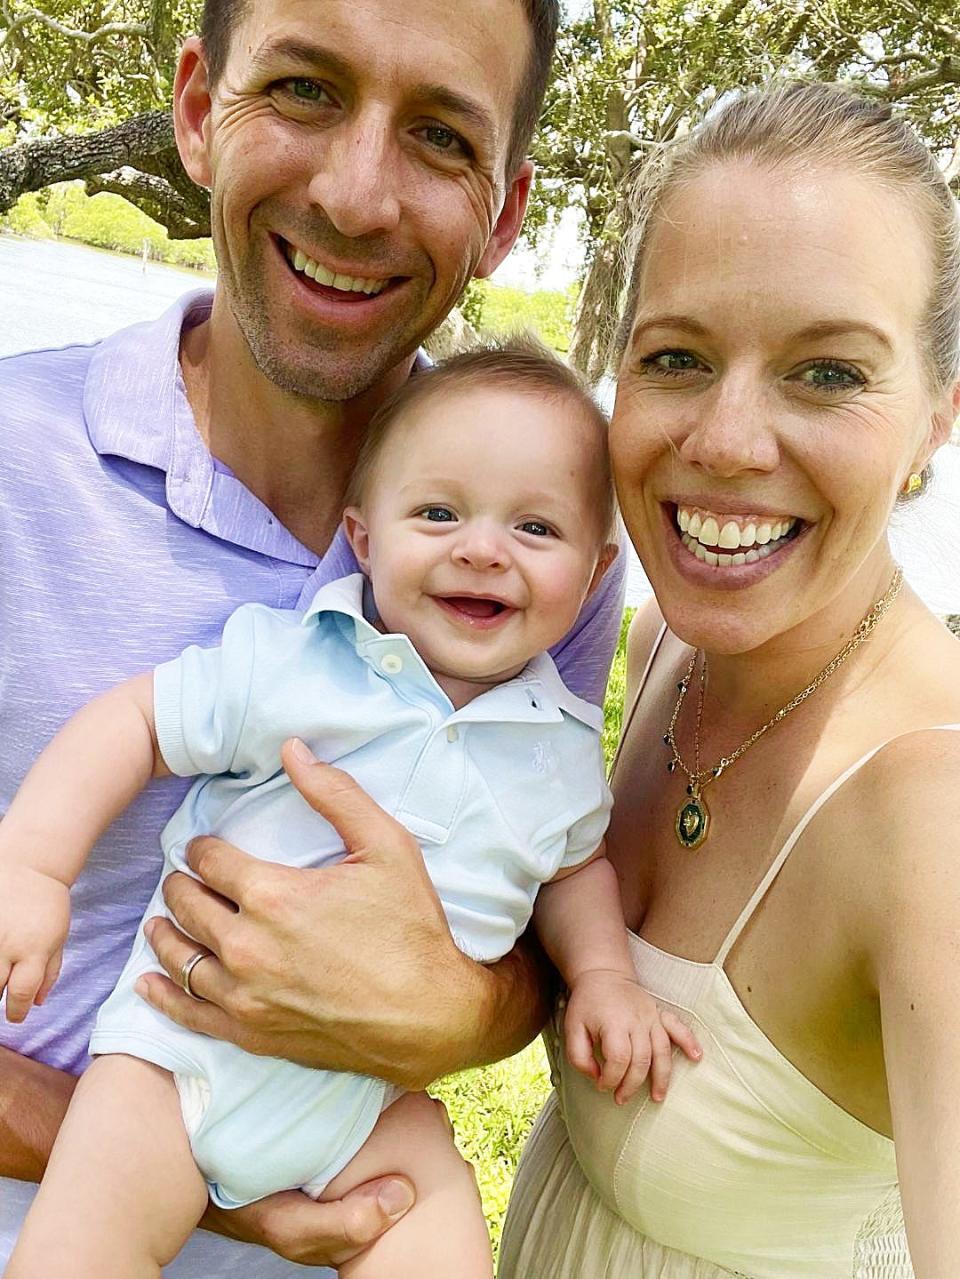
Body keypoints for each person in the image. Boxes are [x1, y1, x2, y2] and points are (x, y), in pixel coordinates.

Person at [0, 1, 626, 1274]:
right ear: (195, 112)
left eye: (441, 135)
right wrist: (170, 1160)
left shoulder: (540, 563)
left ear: (505, 215)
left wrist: (461, 1011)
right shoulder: (16, 461)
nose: (355, 194)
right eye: (302, 90)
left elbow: (531, 877)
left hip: (350, 1151)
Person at [0, 347, 693, 1279]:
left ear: (596, 571)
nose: (481, 548)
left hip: (363, 1112)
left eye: (534, 526)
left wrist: (604, 974)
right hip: (175, 1059)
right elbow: (137, 721)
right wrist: (34, 865)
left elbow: (575, 868)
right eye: (438, 513)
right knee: (83, 1246)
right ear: (363, 541)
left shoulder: (559, 743)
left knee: (433, 1220)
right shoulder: (308, 660)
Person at [499, 81, 960, 1278]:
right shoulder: (661, 648)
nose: (726, 440)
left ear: (933, 424)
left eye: (828, 374)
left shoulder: (932, 812)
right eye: (677, 358)